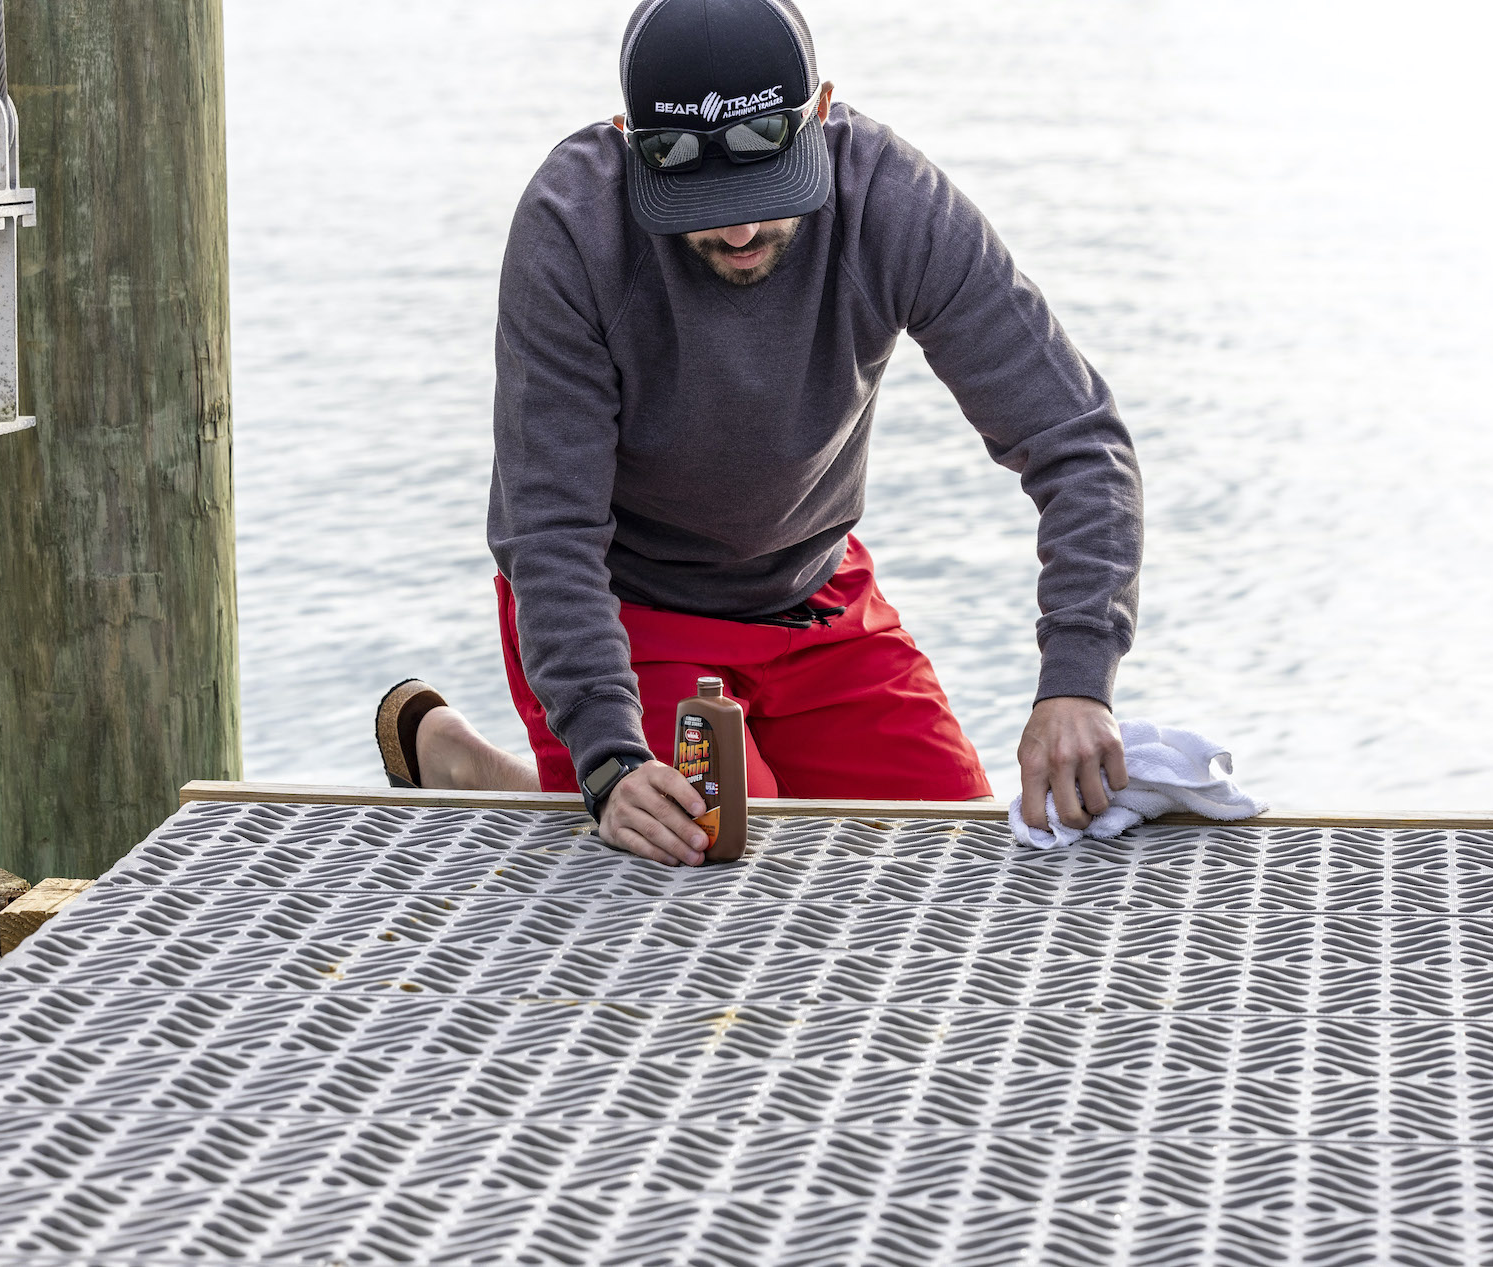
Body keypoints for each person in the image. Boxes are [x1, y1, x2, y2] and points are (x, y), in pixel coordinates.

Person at [375, 0, 1142, 867]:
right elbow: (549, 531)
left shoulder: (892, 202)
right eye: (701, 200)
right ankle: (509, 785)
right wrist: (608, 759)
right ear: (635, 142)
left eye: (765, 189)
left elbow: (1080, 442)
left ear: (818, 114)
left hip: (815, 591)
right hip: (632, 610)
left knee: (951, 866)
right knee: (708, 868)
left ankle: (511, 784)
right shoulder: (572, 227)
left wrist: (1079, 679)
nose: (739, 228)